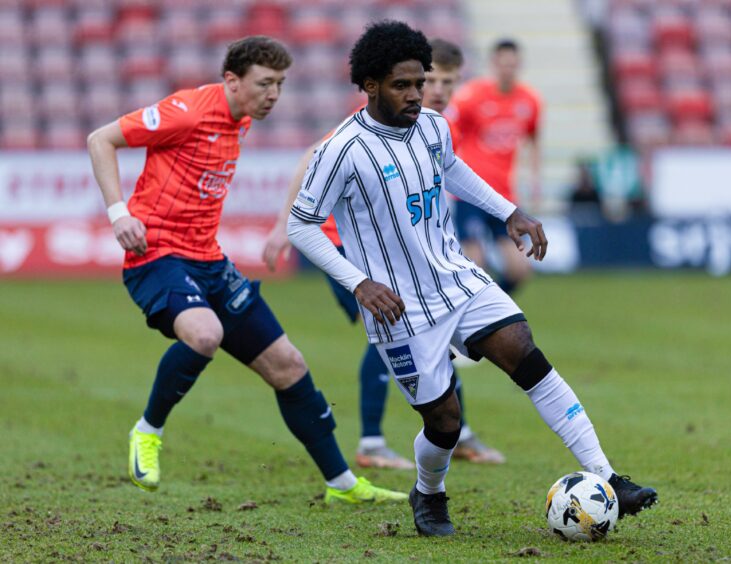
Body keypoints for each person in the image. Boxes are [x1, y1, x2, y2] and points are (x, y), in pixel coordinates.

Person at [287, 21, 658, 537]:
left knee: (525, 352)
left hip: (458, 279)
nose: (417, 95)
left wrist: (511, 213)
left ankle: (607, 475)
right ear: (370, 85)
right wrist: (358, 283)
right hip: (400, 307)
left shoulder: (434, 126)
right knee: (444, 422)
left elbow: (454, 170)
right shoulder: (343, 150)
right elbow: (299, 226)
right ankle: (429, 493)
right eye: (403, 85)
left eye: (421, 83)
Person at [86, 35, 405, 505]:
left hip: (209, 260)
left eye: (280, 84)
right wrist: (119, 213)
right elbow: (101, 139)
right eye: (264, 84)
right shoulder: (189, 109)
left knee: (289, 365)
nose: (273, 94)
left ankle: (342, 485)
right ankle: (147, 431)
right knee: (205, 334)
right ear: (232, 80)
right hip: (156, 255)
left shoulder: (241, 120)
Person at [263, 38, 505, 468]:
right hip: (348, 245)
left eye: (450, 81)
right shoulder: (370, 126)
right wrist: (284, 226)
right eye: (436, 80)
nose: (441, 89)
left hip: (405, 252)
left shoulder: (430, 124)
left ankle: (457, 430)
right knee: (393, 332)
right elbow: (312, 157)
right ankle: (374, 442)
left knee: (434, 333)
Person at [450, 39, 543, 296]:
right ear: (493, 64)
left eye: (512, 64)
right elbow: (448, 132)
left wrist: (535, 180)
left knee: (519, 269)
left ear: (519, 65)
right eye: (503, 64)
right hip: (471, 192)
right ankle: (470, 316)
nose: (508, 69)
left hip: (504, 196)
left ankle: (490, 310)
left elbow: (533, 140)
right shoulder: (471, 97)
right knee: (475, 262)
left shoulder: (529, 101)